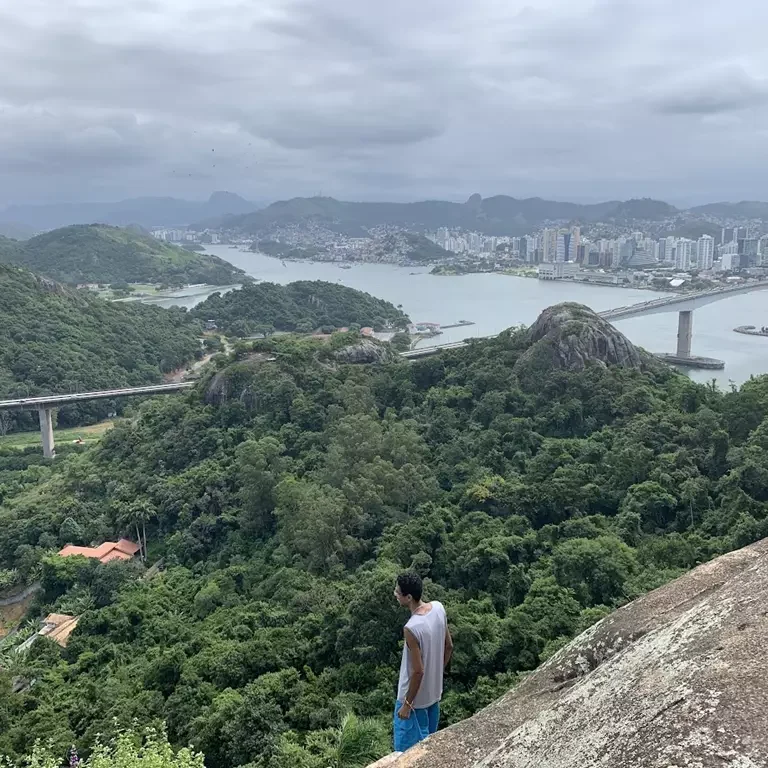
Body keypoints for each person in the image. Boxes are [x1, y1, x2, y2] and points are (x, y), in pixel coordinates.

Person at [393, 572, 453, 753]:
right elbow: (449, 646)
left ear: (408, 597)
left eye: (398, 592)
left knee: (406, 756)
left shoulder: (411, 628)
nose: (395, 594)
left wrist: (407, 705)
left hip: (413, 702)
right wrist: (435, 673)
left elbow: (418, 671)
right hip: (433, 698)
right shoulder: (438, 608)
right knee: (427, 752)